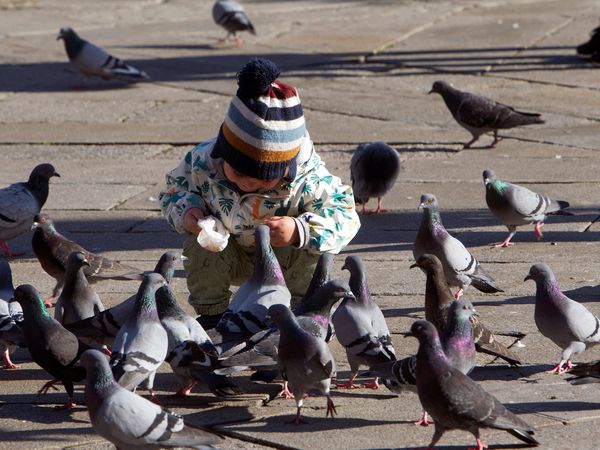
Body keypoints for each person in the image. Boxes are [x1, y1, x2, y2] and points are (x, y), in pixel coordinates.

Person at [159, 58, 360, 329]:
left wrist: (300, 230)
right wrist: (188, 211)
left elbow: (346, 215)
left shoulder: (309, 180)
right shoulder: (202, 162)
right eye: (239, 173)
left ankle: (305, 312)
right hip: (232, 255)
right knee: (197, 243)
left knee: (314, 250)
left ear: (286, 168)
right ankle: (213, 314)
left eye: (263, 180)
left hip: (284, 260)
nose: (249, 185)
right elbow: (173, 190)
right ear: (223, 154)